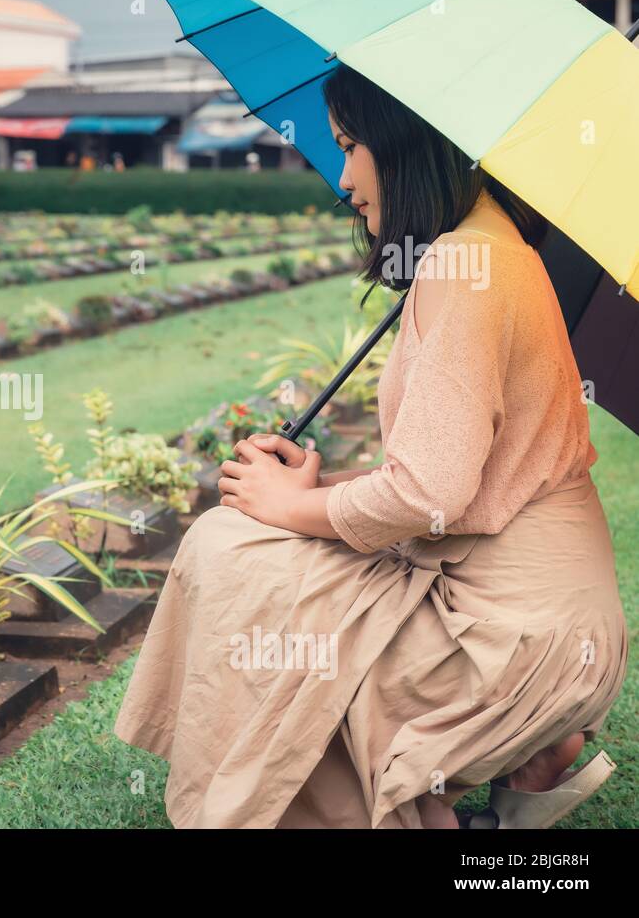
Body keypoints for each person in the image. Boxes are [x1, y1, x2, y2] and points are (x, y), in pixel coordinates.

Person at [112, 63, 628, 829]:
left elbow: (427, 497)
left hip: (507, 636)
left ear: (409, 144)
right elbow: (459, 471)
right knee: (248, 540)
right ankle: (522, 761)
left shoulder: (465, 265)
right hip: (547, 618)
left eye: (354, 147)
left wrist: (293, 502)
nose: (344, 179)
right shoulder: (481, 248)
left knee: (232, 550)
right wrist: (321, 487)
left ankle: (441, 780)